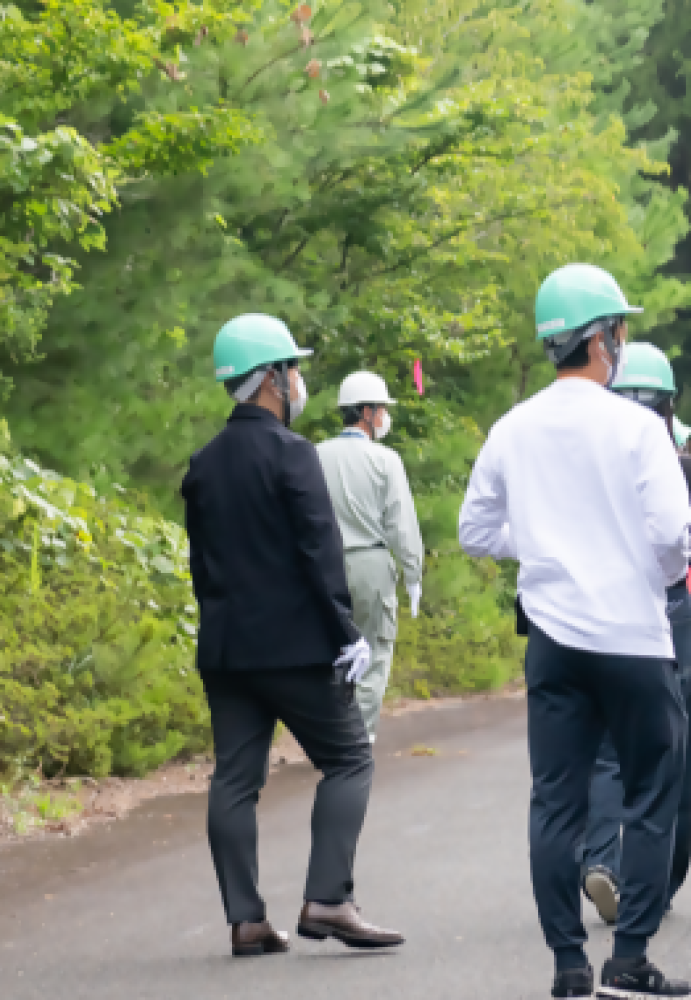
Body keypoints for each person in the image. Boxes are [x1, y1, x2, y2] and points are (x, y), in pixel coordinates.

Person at [458, 264, 691, 1000]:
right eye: (618, 330)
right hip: (631, 634)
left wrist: (540, 548)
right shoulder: (636, 427)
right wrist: (645, 572)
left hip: (554, 641)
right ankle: (628, 958)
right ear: (602, 340)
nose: (621, 342)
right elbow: (672, 535)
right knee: (652, 790)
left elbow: (475, 531)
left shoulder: (513, 427)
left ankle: (568, 965)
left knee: (554, 801)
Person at [182, 314, 403, 959]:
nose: (300, 381)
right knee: (350, 760)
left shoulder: (203, 464)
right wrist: (345, 631)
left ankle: (246, 920)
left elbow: (203, 568)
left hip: (227, 650)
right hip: (297, 648)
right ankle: (330, 898)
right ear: (273, 378)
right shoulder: (292, 454)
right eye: (294, 369)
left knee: (234, 780)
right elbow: (318, 550)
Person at [573, 342, 691, 926]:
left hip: (600, 613)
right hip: (668, 612)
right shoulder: (687, 469)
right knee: (671, 751)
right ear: (669, 404)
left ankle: (600, 858)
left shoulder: (586, 468)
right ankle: (659, 878)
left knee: (607, 749)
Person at [317, 370, 424, 740]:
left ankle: (330, 735)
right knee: (374, 651)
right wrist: (413, 574)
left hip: (325, 565)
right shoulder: (385, 459)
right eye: (380, 409)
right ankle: (357, 739)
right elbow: (402, 523)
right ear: (365, 412)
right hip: (370, 565)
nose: (383, 416)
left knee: (334, 651)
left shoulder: (317, 455)